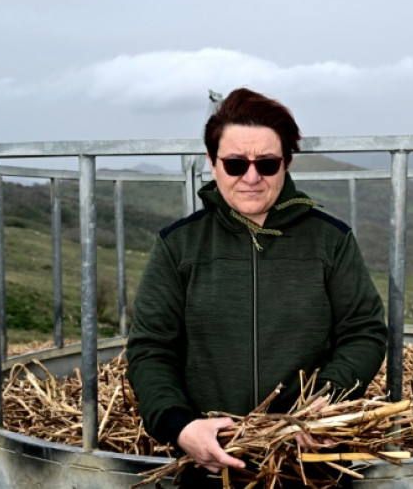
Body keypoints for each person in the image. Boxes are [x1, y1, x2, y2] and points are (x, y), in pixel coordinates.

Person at [126, 87, 387, 485]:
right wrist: (180, 427)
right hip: (210, 467)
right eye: (234, 164)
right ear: (213, 164)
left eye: (266, 164)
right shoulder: (178, 245)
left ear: (286, 164)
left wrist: (325, 402)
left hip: (310, 464)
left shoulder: (330, 240)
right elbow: (151, 348)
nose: (251, 177)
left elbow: (364, 331)